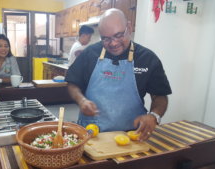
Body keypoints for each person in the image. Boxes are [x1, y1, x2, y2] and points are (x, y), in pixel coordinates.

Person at [65, 8, 172, 141]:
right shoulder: (89, 54)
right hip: (92, 135)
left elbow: (160, 96)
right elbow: (73, 83)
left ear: (129, 27)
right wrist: (82, 100)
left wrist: (154, 116)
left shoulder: (148, 59)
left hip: (132, 137)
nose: (113, 43)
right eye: (106, 39)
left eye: (119, 35)